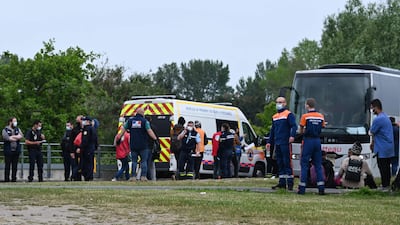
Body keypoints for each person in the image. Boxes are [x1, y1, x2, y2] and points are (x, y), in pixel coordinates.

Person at [266, 97, 297, 190]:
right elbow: (273, 131)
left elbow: (294, 126)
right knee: (279, 163)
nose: (278, 104)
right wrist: (269, 142)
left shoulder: (288, 114)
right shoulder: (275, 117)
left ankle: (290, 183)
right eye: (277, 102)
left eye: (280, 102)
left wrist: (292, 136)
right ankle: (282, 182)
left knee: (287, 162)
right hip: (277, 142)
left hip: (285, 142)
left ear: (285, 103)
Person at [297, 98, 325, 195]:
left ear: (307, 105)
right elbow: (322, 127)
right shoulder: (321, 116)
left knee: (304, 164)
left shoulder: (305, 116)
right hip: (317, 141)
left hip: (308, 141)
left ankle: (302, 188)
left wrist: (304, 131)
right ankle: (321, 188)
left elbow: (301, 130)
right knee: (318, 165)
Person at [122, 108, 158, 181]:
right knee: (143, 161)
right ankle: (143, 177)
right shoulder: (145, 122)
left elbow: (123, 129)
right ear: (142, 113)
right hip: (143, 145)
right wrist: (155, 139)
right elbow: (149, 131)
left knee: (134, 161)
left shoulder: (130, 121)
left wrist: (118, 137)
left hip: (133, 145)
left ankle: (133, 177)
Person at [369, 99, 394, 190]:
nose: (372, 111)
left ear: (376, 107)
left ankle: (384, 186)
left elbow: (371, 131)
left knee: (382, 167)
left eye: (372, 108)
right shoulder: (385, 117)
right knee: (387, 167)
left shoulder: (378, 119)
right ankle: (387, 184)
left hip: (382, 147)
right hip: (388, 146)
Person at [2, 117, 23, 182]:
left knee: (15, 166)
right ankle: (6, 179)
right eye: (14, 121)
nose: (15, 123)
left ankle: (14, 179)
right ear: (10, 122)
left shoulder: (17, 129)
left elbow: (21, 136)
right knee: (7, 165)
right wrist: (16, 137)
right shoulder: (5, 129)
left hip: (16, 150)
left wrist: (13, 137)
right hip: (8, 150)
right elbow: (7, 138)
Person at [78, 116, 98, 181]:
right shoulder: (93, 129)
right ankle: (89, 176)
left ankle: (88, 176)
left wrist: (81, 147)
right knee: (90, 163)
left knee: (86, 163)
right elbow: (96, 140)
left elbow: (85, 140)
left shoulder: (87, 129)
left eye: (84, 120)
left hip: (87, 149)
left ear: (88, 121)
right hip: (91, 149)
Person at [70, 115, 83, 181]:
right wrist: (72, 151)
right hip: (75, 149)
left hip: (82, 149)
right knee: (75, 164)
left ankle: (79, 176)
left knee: (81, 164)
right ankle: (74, 177)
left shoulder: (85, 129)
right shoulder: (74, 130)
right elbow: (71, 141)